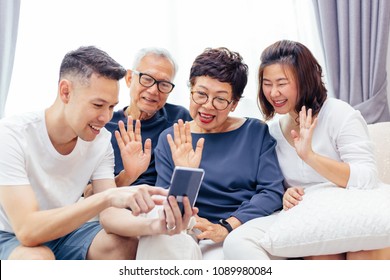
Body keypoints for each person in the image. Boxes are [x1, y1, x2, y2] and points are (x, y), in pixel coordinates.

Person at [0, 46, 197, 260]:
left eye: (111, 107)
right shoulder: (12, 135)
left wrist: (155, 225)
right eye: (98, 105)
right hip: (12, 235)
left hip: (67, 233)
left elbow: (109, 215)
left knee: (121, 244)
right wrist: (107, 197)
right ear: (66, 92)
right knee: (38, 258)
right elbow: (28, 231)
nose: (105, 117)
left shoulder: (100, 140)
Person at [223, 39, 390, 260]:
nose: (273, 93)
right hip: (311, 216)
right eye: (267, 83)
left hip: (354, 209)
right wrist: (285, 193)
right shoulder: (272, 132)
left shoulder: (338, 114)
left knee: (365, 251)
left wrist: (310, 156)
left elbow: (366, 177)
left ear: (304, 80)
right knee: (317, 256)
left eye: (282, 83)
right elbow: (273, 186)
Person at [138, 47, 285, 259]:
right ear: (190, 91)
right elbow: (166, 205)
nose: (208, 106)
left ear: (233, 103)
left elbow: (271, 192)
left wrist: (227, 226)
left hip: (242, 228)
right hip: (191, 228)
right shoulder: (172, 138)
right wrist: (186, 173)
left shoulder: (255, 132)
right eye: (201, 94)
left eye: (220, 99)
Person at [106, 47, 192, 187]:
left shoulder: (180, 120)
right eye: (146, 79)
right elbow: (90, 192)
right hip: (120, 204)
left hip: (164, 203)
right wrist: (128, 176)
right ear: (129, 78)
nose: (153, 90)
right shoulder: (105, 125)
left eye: (164, 84)